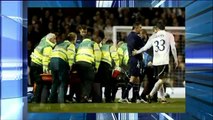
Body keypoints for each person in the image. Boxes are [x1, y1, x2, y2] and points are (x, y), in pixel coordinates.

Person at [132, 21, 178, 103]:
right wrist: (176, 59)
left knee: (159, 80)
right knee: (162, 80)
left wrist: (137, 52)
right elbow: (173, 48)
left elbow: (145, 48)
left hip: (155, 62)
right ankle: (150, 95)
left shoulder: (153, 36)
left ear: (157, 28)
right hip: (163, 61)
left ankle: (163, 98)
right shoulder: (169, 35)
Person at [48, 32, 77, 103]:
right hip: (60, 61)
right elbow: (70, 56)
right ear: (74, 39)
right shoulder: (71, 45)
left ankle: (51, 101)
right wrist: (70, 66)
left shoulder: (59, 44)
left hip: (52, 61)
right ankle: (61, 102)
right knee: (63, 82)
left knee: (55, 82)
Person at [120, 22, 144, 103]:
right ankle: (124, 97)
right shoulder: (136, 36)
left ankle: (138, 98)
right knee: (133, 78)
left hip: (132, 59)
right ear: (136, 27)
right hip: (135, 59)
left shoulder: (129, 36)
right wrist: (142, 38)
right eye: (140, 27)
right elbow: (143, 45)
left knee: (137, 79)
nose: (141, 29)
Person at [30, 33, 56, 103]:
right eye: (54, 38)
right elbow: (45, 60)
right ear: (51, 39)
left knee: (39, 83)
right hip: (38, 65)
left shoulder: (43, 42)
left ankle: (37, 100)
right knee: (42, 84)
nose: (55, 40)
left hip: (33, 63)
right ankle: (38, 101)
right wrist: (46, 71)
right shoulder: (48, 47)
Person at [75, 34, 102, 103]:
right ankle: (85, 97)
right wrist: (97, 66)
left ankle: (79, 97)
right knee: (89, 80)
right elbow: (98, 55)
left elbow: (75, 53)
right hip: (87, 62)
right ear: (90, 39)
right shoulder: (93, 43)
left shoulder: (80, 44)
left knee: (82, 81)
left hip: (78, 63)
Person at [94, 39, 119, 103]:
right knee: (108, 82)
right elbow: (114, 55)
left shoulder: (101, 47)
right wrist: (117, 65)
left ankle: (98, 98)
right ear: (111, 43)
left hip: (99, 64)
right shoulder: (111, 47)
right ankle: (107, 98)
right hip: (106, 64)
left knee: (99, 82)